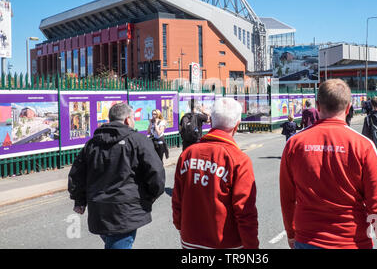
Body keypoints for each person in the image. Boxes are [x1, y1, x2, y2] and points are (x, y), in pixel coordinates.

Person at [279, 79, 377, 249]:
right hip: (353, 241)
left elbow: (287, 198)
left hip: (307, 239)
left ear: (318, 106)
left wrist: (291, 234)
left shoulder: (294, 143)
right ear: (348, 108)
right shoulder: (362, 145)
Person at [68, 103, 166, 249]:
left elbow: (77, 174)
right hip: (125, 212)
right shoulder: (138, 141)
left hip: (99, 210)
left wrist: (79, 200)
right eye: (133, 118)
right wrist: (149, 197)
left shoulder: (92, 143)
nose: (133, 122)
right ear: (127, 120)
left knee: (112, 241)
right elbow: (156, 174)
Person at [172, 97, 259, 249]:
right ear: (236, 126)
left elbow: (177, 198)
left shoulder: (188, 154)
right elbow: (245, 211)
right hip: (226, 243)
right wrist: (252, 246)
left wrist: (181, 226)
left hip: (190, 240)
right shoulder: (239, 159)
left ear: (211, 120)